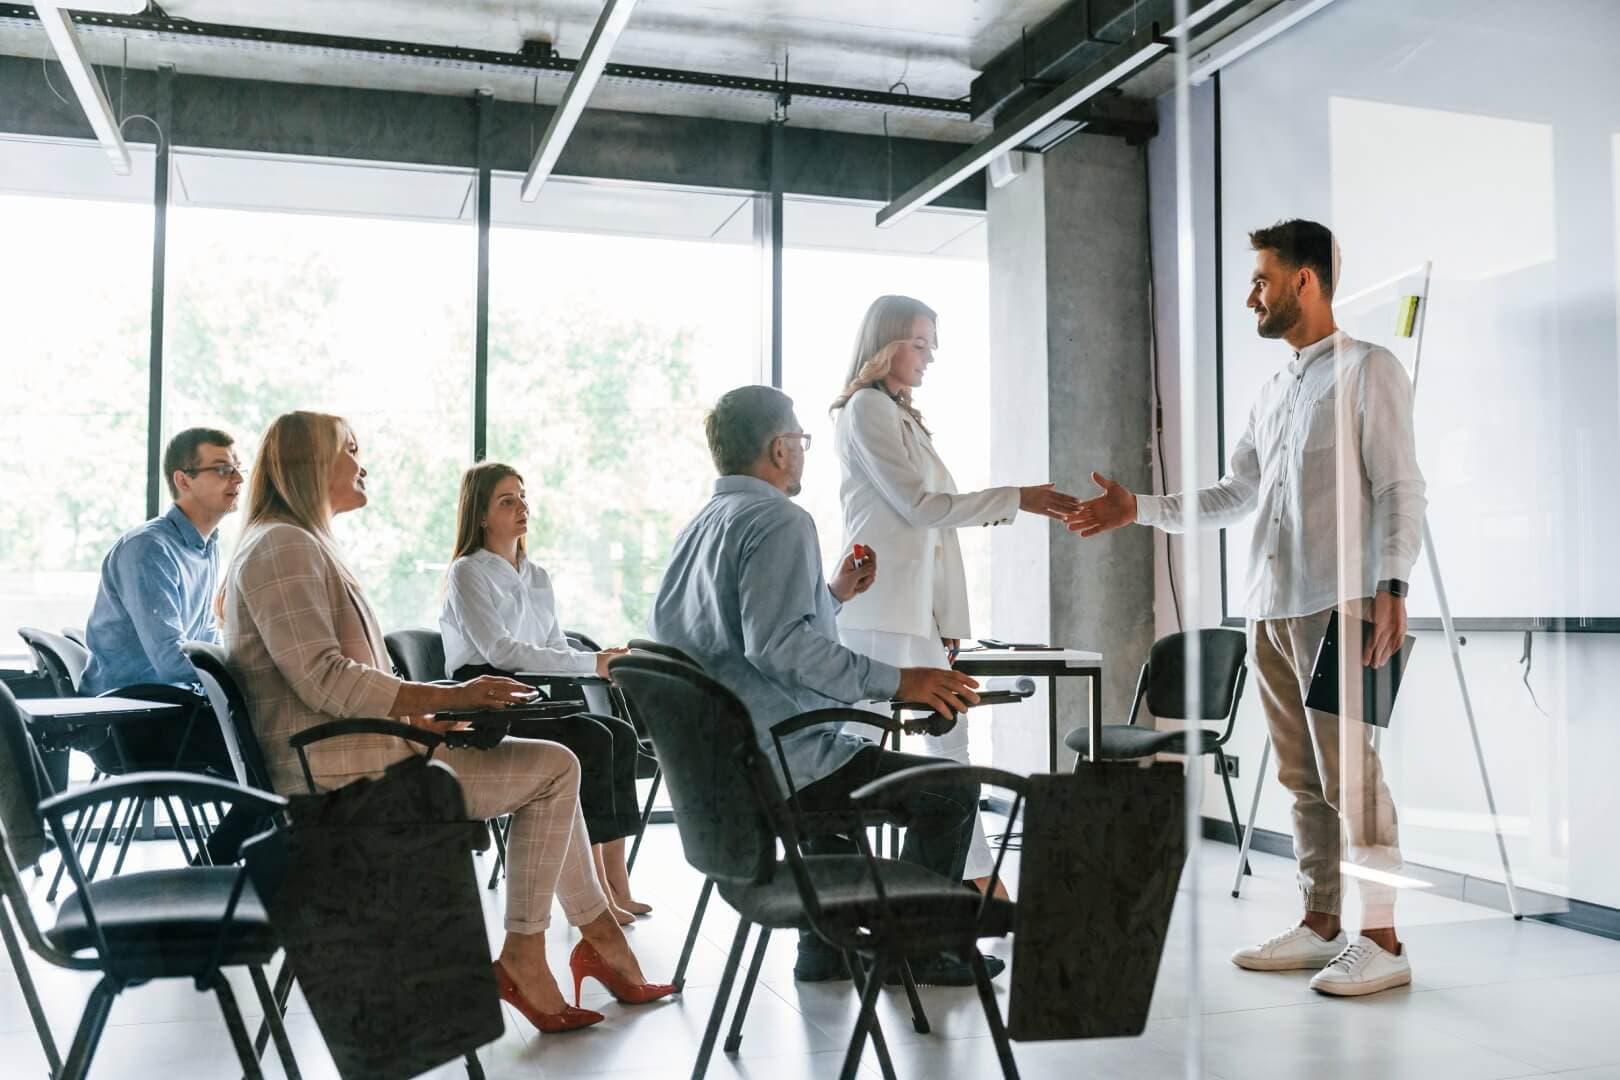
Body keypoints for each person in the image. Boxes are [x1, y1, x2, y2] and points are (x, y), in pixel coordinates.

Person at [221, 411, 673, 1033]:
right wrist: (445, 698)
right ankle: (549, 953)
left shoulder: (292, 541)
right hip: (343, 771)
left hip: (351, 750)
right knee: (555, 768)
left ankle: (588, 942)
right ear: (311, 464)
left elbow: (333, 678)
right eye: (350, 449)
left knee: (557, 765)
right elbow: (322, 677)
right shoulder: (284, 546)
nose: (363, 463)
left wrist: (433, 708)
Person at [1067, 219, 1424, 997]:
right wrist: (1140, 510)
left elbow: (1401, 487)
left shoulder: (1370, 369)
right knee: (1301, 779)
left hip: (1343, 604)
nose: (1252, 295)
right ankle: (1321, 923)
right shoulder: (1273, 391)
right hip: (1268, 610)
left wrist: (1394, 585)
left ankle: (1384, 938)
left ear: (1305, 280)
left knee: (1352, 779)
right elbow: (1236, 494)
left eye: (1262, 279)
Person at [648, 384, 1000, 987]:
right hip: (780, 764)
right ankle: (916, 950)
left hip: (722, 773)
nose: (803, 452)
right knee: (951, 791)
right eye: (801, 440)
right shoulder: (779, 520)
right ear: (779, 449)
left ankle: (824, 949)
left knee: (839, 763)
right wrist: (900, 681)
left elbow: (729, 638)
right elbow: (778, 646)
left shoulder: (698, 529)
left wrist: (831, 596)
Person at [829, 294, 1082, 896]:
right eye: (919, 343)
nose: (929, 356)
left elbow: (933, 536)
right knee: (859, 751)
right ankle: (874, 890)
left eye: (931, 345)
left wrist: (945, 618)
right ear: (886, 345)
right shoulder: (865, 409)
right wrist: (1017, 498)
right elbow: (919, 508)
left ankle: (969, 882)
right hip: (880, 611)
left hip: (911, 613)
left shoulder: (899, 414)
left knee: (948, 741)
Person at [441, 461, 649, 924]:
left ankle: (618, 882)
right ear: (480, 514)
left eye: (522, 496)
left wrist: (601, 663)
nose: (522, 508)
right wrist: (591, 663)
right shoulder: (467, 572)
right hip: (488, 699)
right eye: (506, 501)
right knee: (593, 739)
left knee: (618, 734)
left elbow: (554, 648)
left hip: (530, 694)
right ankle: (596, 892)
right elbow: (501, 651)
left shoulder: (537, 575)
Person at [79, 427, 242, 775]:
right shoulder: (150, 549)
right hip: (129, 722)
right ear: (183, 481)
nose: (239, 479)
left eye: (238, 468)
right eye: (222, 469)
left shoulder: (206, 546)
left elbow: (205, 637)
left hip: (167, 708)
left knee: (266, 734)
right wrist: (246, 668)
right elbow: (171, 660)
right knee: (269, 745)